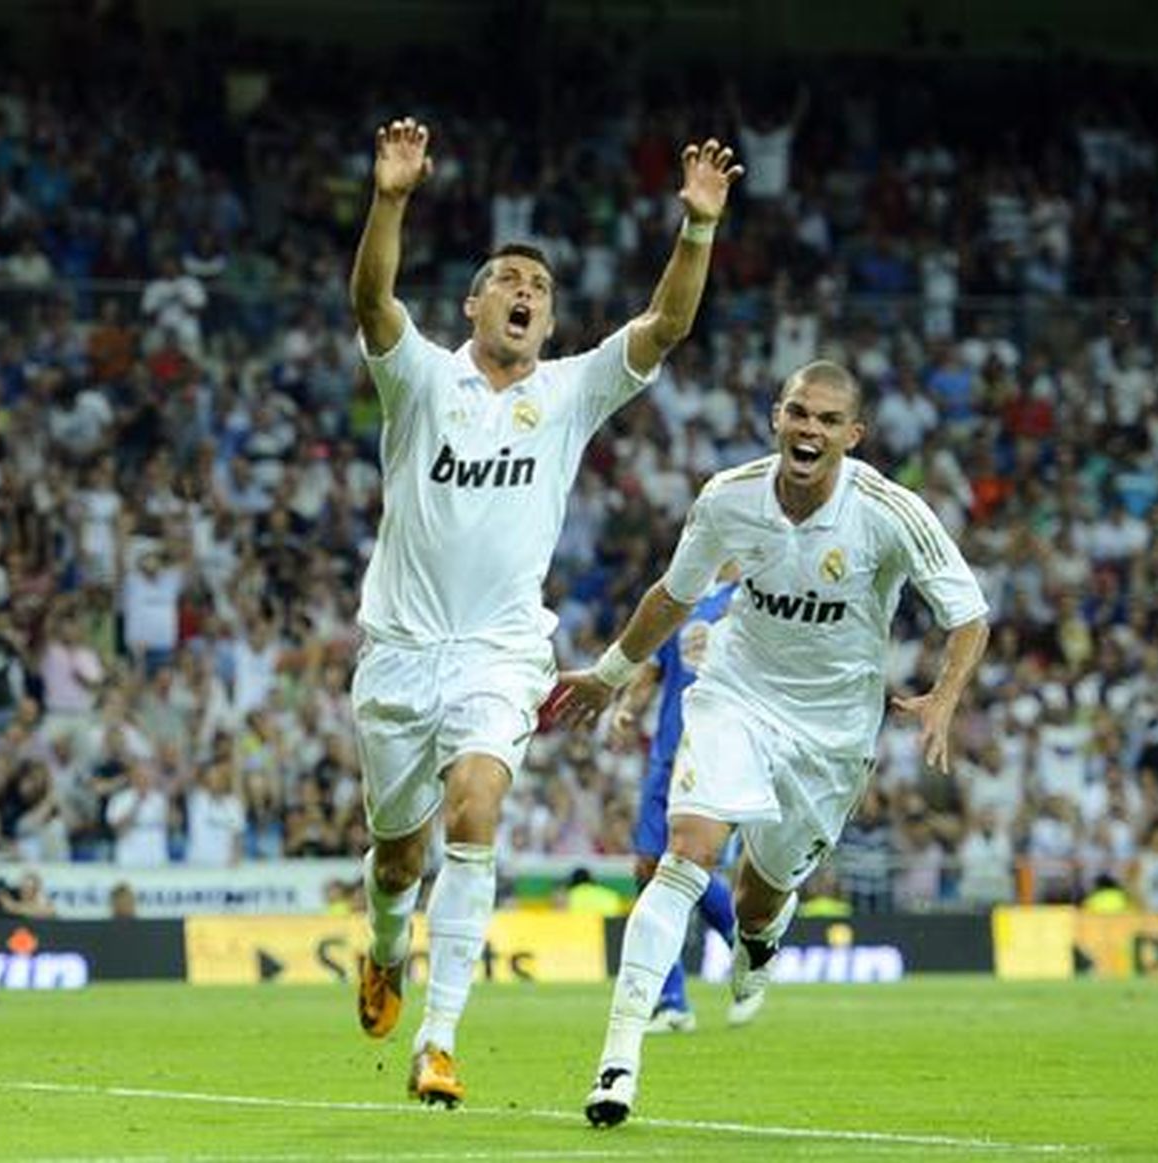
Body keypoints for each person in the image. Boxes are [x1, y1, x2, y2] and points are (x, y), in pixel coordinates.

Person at [348, 116, 742, 1107]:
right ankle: (387, 946)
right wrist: (391, 199)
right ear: (473, 302)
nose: (526, 293)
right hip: (398, 651)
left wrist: (694, 229)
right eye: (508, 281)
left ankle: (437, 1040)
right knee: (398, 852)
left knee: (478, 801)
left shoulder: (568, 392)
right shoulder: (423, 378)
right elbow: (371, 299)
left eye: (541, 288)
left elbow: (665, 328)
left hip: (500, 646)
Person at [548, 360, 990, 1126]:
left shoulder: (888, 509)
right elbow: (672, 595)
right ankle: (617, 1060)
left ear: (853, 434)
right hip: (736, 695)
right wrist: (612, 673)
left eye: (825, 420)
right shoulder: (728, 497)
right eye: (797, 413)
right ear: (776, 417)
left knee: (762, 893)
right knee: (684, 854)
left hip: (832, 732)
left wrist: (944, 700)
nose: (808, 430)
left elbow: (968, 613)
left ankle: (760, 940)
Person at [602, 565, 740, 1034]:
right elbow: (653, 670)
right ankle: (673, 1000)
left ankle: (746, 944)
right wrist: (626, 709)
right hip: (668, 753)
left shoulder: (757, 596)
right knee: (647, 867)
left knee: (685, 868)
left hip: (716, 752)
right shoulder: (684, 597)